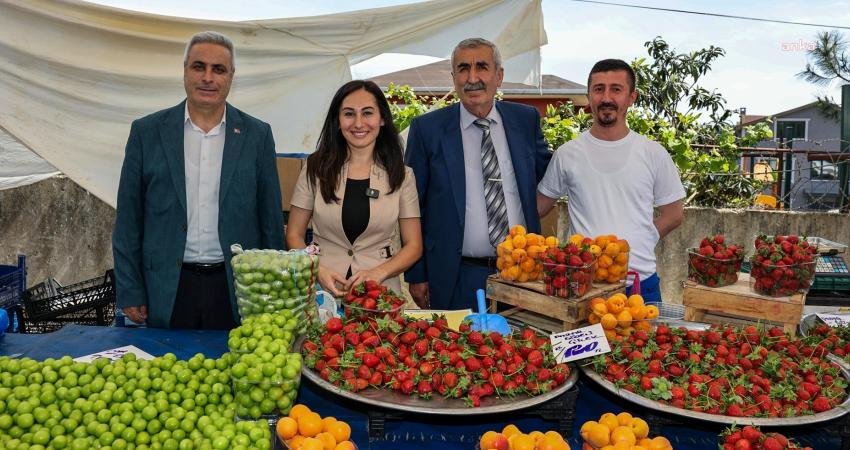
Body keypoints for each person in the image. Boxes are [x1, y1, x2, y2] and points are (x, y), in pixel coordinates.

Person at [113, 31, 285, 329]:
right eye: (198, 66)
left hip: (236, 289)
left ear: (231, 76)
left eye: (218, 69)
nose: (208, 77)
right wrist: (130, 289)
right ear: (184, 72)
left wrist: (271, 292)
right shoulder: (147, 133)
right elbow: (128, 221)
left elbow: (270, 221)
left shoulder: (257, 136)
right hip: (166, 287)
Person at [404, 38, 551, 310]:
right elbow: (413, 206)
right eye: (463, 69)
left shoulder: (525, 120)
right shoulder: (427, 129)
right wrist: (417, 274)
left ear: (499, 75)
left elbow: (552, 175)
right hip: (455, 275)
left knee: (523, 347)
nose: (472, 78)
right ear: (453, 77)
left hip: (523, 271)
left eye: (482, 67)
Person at [536, 59, 685, 301]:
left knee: (644, 340)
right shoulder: (567, 154)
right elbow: (539, 207)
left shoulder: (653, 153)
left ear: (631, 97)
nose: (606, 97)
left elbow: (674, 214)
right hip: (583, 284)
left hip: (640, 283)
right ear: (589, 96)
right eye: (598, 89)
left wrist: (642, 239)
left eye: (616, 89)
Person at [286, 80, 422, 297]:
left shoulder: (403, 176)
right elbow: (294, 234)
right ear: (337, 121)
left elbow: (414, 245)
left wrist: (379, 272)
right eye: (349, 114)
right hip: (321, 293)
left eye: (367, 113)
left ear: (382, 119)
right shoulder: (315, 169)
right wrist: (316, 269)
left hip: (380, 295)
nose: (358, 123)